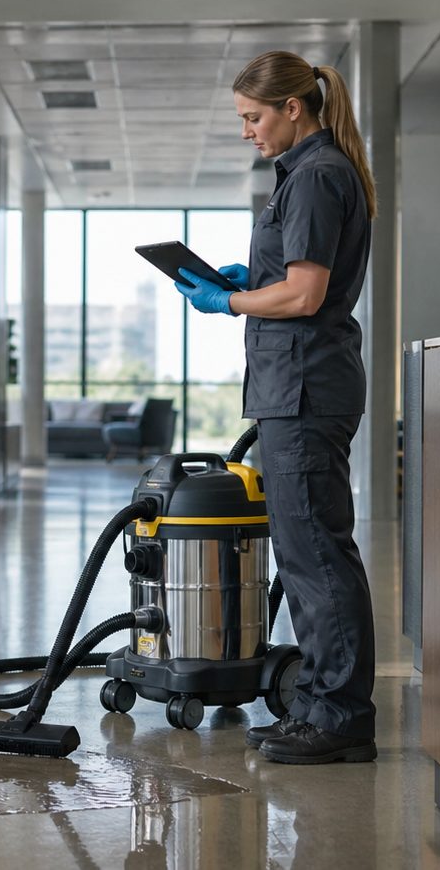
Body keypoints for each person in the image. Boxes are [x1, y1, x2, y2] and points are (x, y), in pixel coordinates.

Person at [172, 50, 378, 765]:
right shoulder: (308, 174)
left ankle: (340, 715)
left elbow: (305, 294)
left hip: (306, 389)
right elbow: (289, 279)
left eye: (252, 117)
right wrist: (248, 277)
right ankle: (323, 705)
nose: (246, 131)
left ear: (295, 108)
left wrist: (228, 299)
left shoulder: (319, 175)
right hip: (296, 387)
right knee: (304, 553)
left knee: (316, 553)